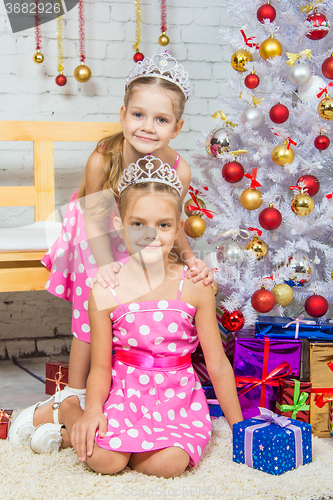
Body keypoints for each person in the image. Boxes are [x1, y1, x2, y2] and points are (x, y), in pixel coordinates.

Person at [9, 157, 242, 478]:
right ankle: (71, 410)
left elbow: (217, 364)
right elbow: (102, 366)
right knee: (105, 461)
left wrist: (239, 428)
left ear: (177, 228)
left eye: (163, 225)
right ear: (120, 225)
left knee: (170, 465)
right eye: (138, 224)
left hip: (176, 400)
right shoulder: (105, 289)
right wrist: (93, 410)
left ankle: (86, 439)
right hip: (126, 394)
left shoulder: (195, 287)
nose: (151, 234)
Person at [40, 52, 215, 403]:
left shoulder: (178, 170)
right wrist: (106, 268)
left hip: (142, 232)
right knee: (97, 297)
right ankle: (73, 393)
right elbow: (92, 219)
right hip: (97, 234)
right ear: (123, 115)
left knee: (150, 291)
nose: (147, 127)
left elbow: (171, 223)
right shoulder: (102, 160)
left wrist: (190, 259)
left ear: (177, 127)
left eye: (161, 119)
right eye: (138, 115)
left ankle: (130, 380)